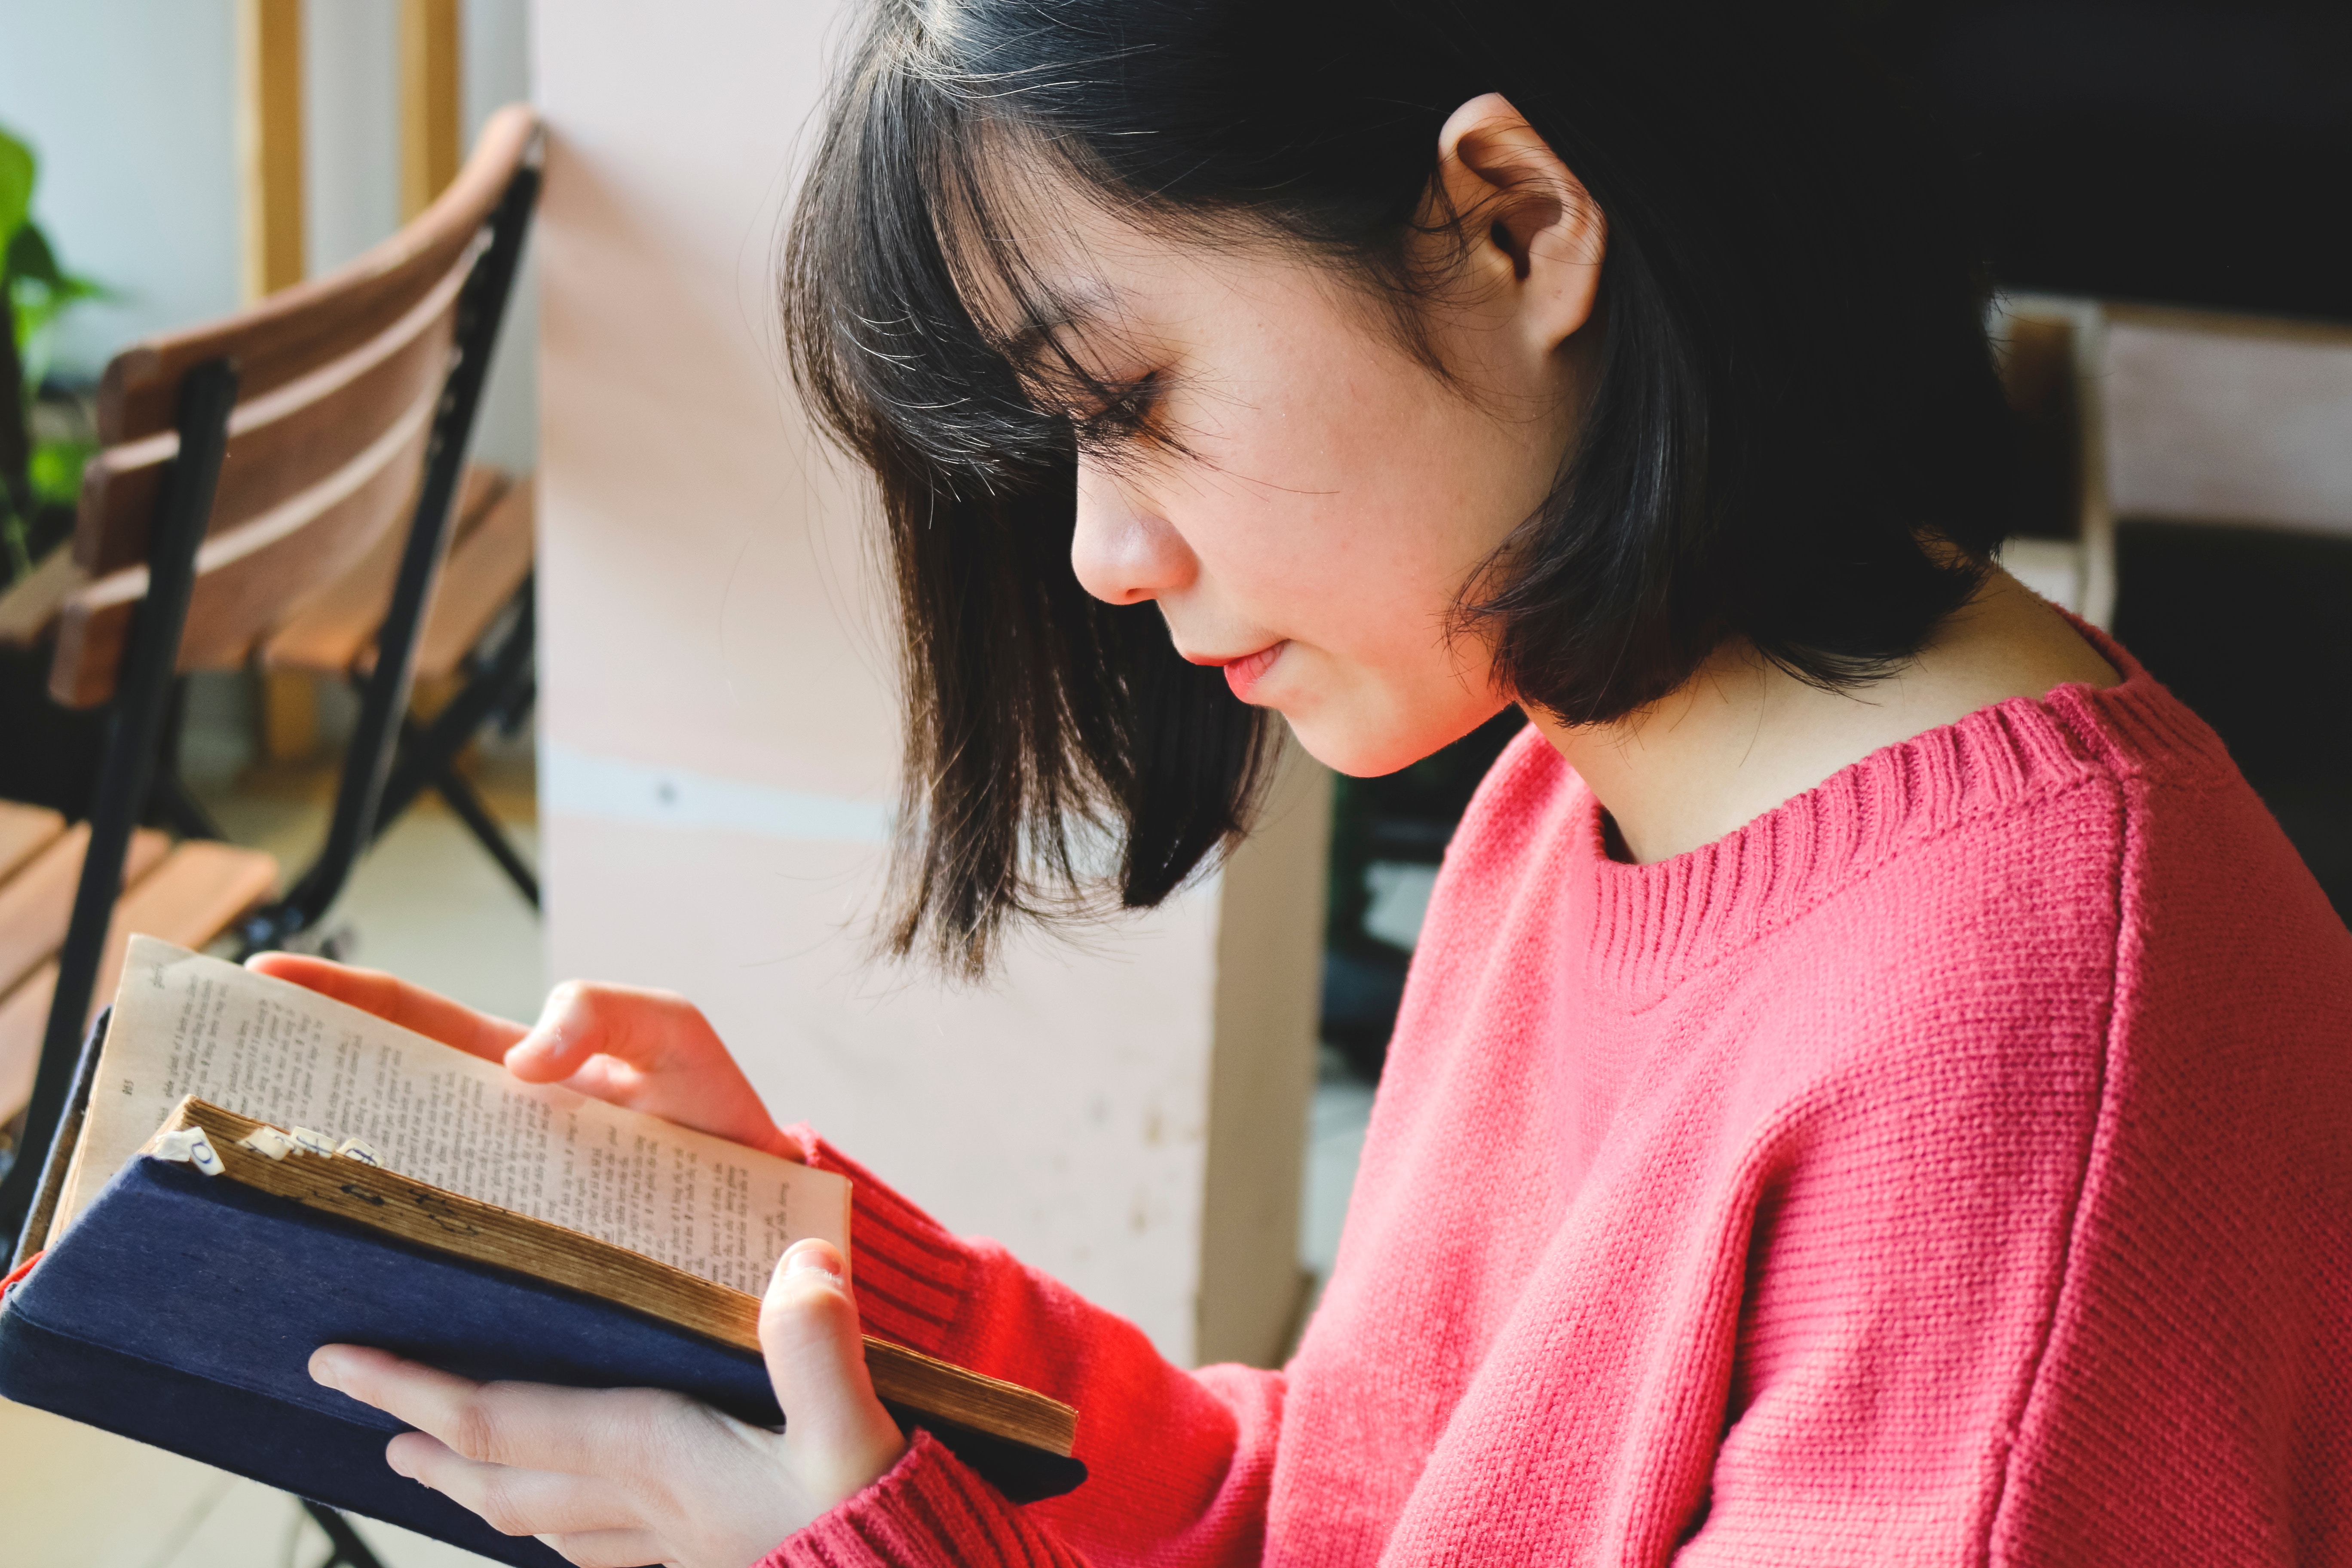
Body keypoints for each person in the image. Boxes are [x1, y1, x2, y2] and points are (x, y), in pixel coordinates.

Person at [266, 0, 2352, 1562]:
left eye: (1130, 397)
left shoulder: (2024, 1068)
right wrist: (791, 1273)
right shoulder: (1592, 777)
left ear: (1514, 220)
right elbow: (1354, 1511)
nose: (1098, 553)